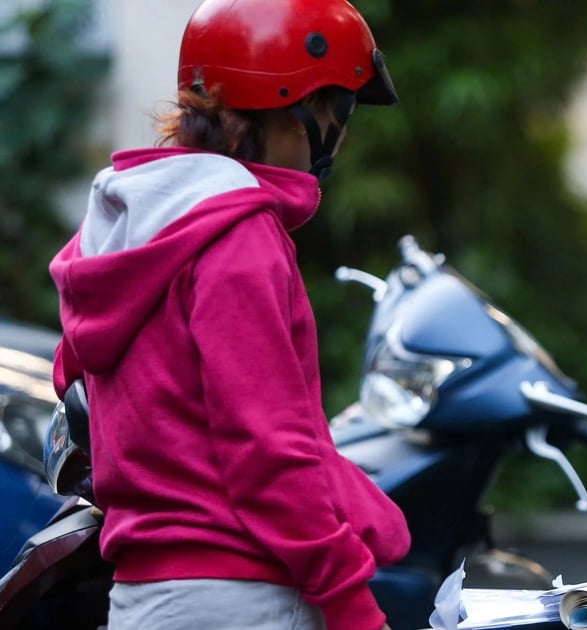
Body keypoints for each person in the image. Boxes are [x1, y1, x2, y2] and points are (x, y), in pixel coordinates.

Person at [48, 1, 409, 628]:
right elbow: (268, 450)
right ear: (301, 113)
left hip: (143, 596)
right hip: (245, 595)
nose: (342, 136)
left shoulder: (125, 230)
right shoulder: (237, 236)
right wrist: (351, 601)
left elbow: (77, 388)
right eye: (342, 111)